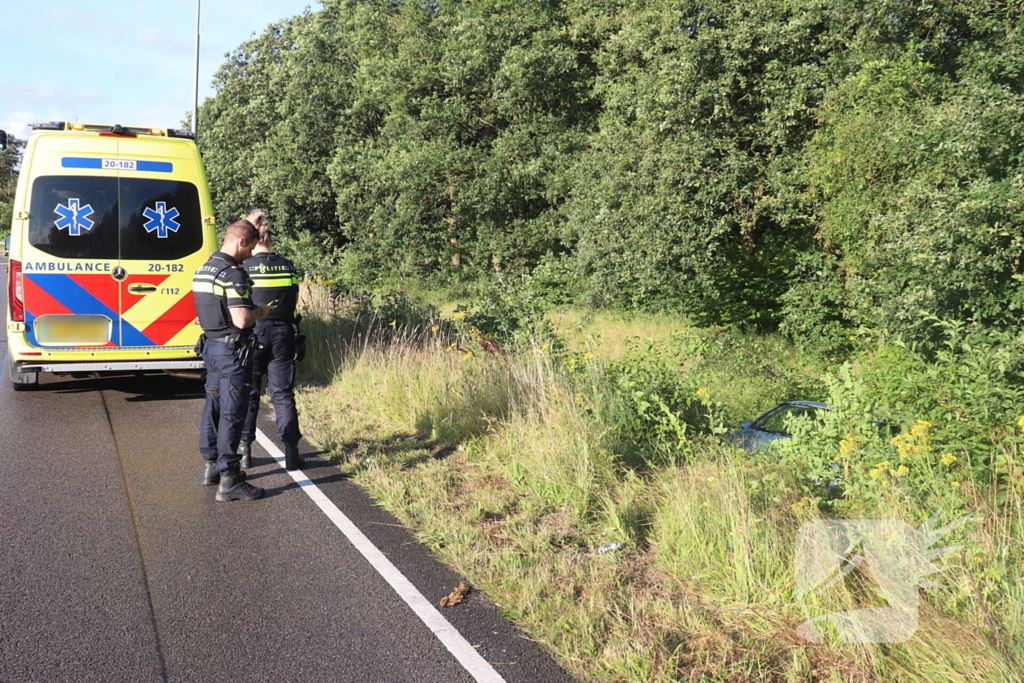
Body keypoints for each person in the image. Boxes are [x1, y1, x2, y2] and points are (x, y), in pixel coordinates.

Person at [192, 219, 274, 501]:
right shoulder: (233, 274)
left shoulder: (205, 268)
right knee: (233, 411)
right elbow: (241, 319)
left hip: (211, 348)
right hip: (231, 353)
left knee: (213, 406)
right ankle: (229, 478)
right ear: (241, 241)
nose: (249, 255)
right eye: (249, 249)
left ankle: (211, 466)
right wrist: (260, 311)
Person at [239, 209, 304, 470]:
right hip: (283, 333)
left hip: (253, 334)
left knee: (249, 392)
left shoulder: (243, 267)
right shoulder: (288, 265)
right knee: (282, 393)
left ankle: (245, 450)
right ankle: (291, 452)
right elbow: (294, 299)